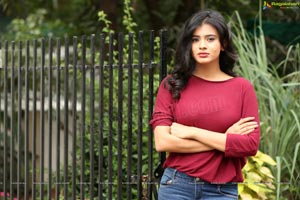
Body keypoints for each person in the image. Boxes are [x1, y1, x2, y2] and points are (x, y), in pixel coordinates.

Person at [150, 10, 260, 200]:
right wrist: (226, 139)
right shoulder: (171, 84)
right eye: (195, 39)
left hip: (222, 190)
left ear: (223, 44)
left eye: (210, 39)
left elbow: (249, 145)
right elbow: (163, 142)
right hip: (177, 185)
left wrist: (193, 132)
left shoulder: (242, 88)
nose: (202, 46)